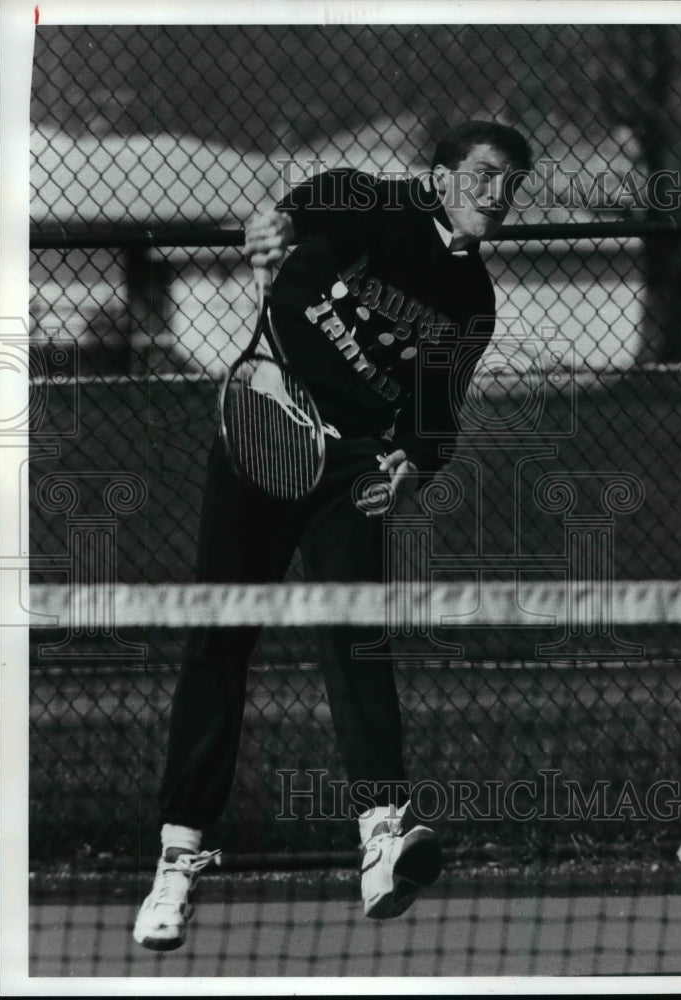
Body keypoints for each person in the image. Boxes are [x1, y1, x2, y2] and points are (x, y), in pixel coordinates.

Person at [133, 120, 532, 950]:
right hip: (264, 426)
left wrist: (409, 467)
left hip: (349, 470)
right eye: (485, 176)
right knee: (219, 639)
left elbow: (432, 417)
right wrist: (275, 222)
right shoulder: (372, 204)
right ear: (440, 176)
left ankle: (381, 839)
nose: (497, 196)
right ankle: (178, 858)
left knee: (357, 642)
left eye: (512, 183)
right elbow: (305, 203)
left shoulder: (472, 302)